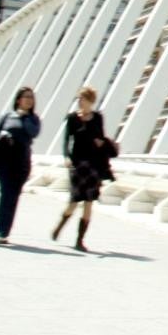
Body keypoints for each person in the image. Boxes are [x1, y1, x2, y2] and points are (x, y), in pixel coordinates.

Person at [52, 86, 109, 252]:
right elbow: (66, 140)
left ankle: (80, 240)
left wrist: (99, 140)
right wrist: (66, 157)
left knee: (89, 202)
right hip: (78, 164)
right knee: (74, 200)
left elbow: (100, 137)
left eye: (82, 99)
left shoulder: (98, 117)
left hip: (93, 165)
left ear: (90, 101)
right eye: (79, 99)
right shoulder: (72, 118)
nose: (80, 101)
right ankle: (60, 226)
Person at [0, 87, 41, 245]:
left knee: (13, 196)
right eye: (25, 97)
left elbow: (33, 133)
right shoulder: (7, 116)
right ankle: (0, 231)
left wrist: (25, 117)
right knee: (5, 194)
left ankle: (4, 230)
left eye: (31, 97)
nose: (28, 100)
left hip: (21, 162)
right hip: (5, 160)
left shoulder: (33, 119)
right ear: (18, 99)